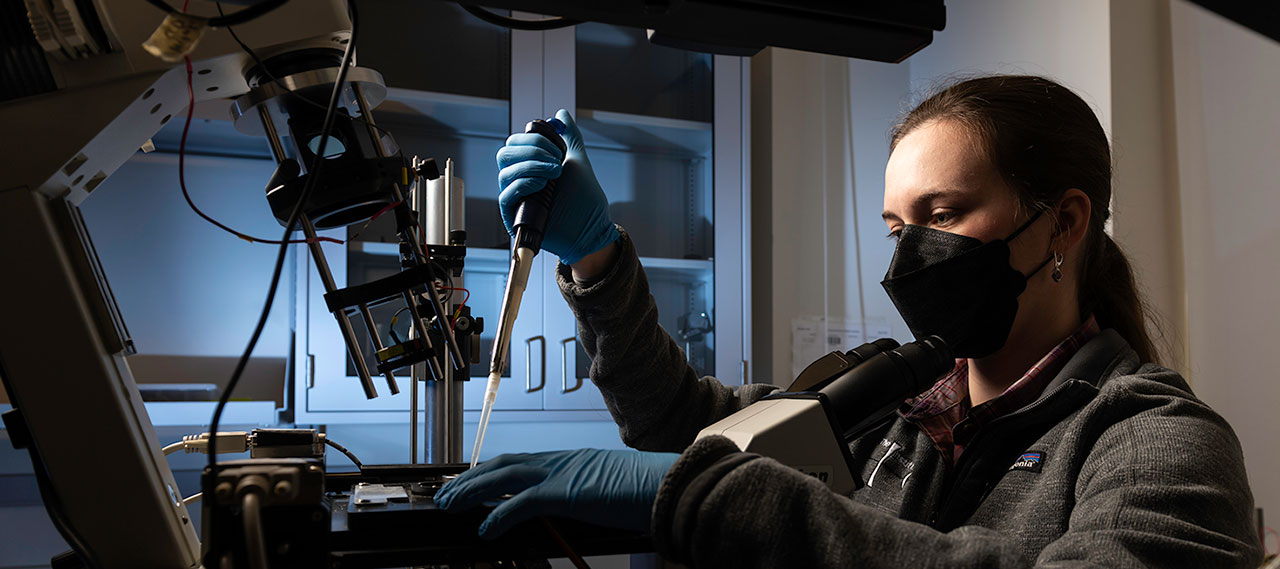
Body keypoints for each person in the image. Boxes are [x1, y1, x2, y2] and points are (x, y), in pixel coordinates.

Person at [435, 75, 1263, 567]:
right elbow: (683, 427)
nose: (907, 257)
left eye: (943, 214)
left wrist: (722, 498)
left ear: (1065, 223)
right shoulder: (891, 404)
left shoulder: (1157, 438)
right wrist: (598, 259)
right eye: (897, 229)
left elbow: (715, 478)